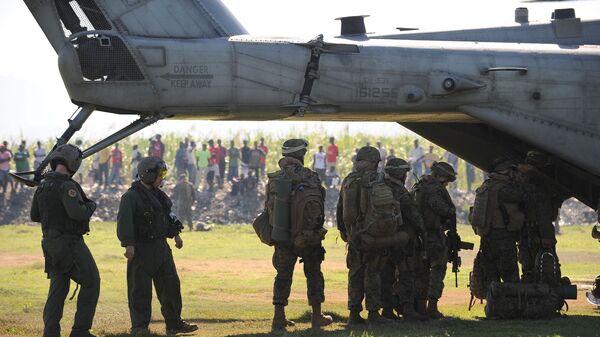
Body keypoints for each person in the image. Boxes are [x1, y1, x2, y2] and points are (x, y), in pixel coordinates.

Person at [117, 157, 198, 335]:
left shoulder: (159, 196)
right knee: (140, 290)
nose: (162, 178)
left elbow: (168, 217)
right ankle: (139, 327)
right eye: (160, 174)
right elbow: (124, 223)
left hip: (162, 248)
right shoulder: (131, 197)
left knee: (171, 287)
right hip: (141, 250)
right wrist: (128, 245)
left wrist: (176, 235)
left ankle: (174, 324)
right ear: (148, 175)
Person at [30, 144, 99, 337]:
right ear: (73, 163)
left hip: (50, 244)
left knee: (58, 289)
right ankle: (80, 331)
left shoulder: (43, 185)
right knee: (92, 282)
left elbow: (35, 215)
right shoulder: (67, 185)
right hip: (70, 243)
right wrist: (90, 206)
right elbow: (77, 213)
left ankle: (50, 332)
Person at [265, 139, 332, 332]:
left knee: (283, 275)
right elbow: (320, 200)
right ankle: (317, 316)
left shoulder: (275, 177)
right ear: (301, 154)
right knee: (314, 273)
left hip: (283, 234)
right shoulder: (310, 176)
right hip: (308, 235)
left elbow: (268, 208)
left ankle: (279, 318)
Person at [337, 146, 404, 325]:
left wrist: (345, 232)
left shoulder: (348, 180)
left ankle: (354, 314)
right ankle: (373, 313)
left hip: (354, 237)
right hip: (373, 236)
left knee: (355, 274)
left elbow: (340, 209)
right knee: (373, 273)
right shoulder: (379, 179)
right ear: (375, 162)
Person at [470, 157, 526, 297]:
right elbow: (526, 196)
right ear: (504, 172)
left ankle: (494, 308)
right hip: (503, 239)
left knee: (491, 276)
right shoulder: (504, 190)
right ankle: (512, 307)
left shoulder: (486, 187)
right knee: (510, 276)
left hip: (487, 238)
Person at [381, 158, 428, 320]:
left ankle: (386, 310)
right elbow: (413, 215)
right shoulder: (400, 191)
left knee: (386, 274)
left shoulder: (381, 187)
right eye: (405, 172)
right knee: (406, 273)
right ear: (399, 173)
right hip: (402, 239)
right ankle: (408, 310)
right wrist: (422, 230)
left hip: (384, 238)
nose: (406, 176)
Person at [413, 161, 457, 318]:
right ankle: (431, 308)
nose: (446, 184)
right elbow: (440, 207)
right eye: (446, 181)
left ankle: (420, 308)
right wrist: (450, 211)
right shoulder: (433, 189)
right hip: (432, 235)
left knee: (422, 271)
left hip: (419, 236)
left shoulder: (420, 185)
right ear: (441, 176)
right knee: (437, 269)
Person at [517, 150, 565, 284]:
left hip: (527, 233)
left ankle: (529, 299)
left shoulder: (523, 184)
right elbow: (544, 212)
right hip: (538, 233)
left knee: (529, 270)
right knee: (546, 269)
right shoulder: (541, 185)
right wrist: (547, 236)